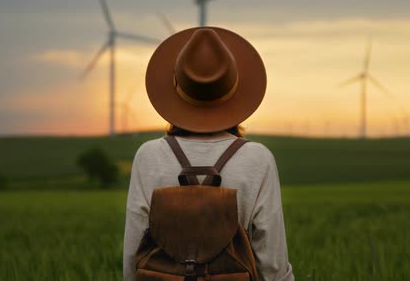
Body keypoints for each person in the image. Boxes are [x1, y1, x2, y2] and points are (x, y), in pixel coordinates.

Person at [123, 27, 294, 280]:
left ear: (176, 89)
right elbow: (272, 262)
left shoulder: (148, 156)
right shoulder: (258, 159)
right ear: (234, 91)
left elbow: (133, 250)